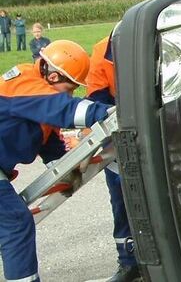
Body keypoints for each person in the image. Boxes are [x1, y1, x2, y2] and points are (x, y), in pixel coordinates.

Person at [0, 40, 112, 282]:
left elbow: (48, 138)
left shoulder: (36, 94)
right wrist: (117, 113)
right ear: (52, 77)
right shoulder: (24, 82)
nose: (71, 94)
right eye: (70, 88)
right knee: (15, 223)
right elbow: (64, 110)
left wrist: (64, 165)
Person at [84, 35, 140, 282]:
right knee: (121, 198)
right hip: (118, 128)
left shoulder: (152, 41)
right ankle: (129, 262)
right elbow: (96, 101)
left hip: (158, 123)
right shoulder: (101, 54)